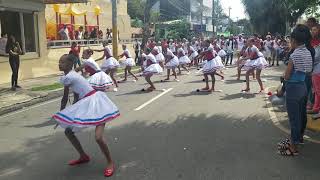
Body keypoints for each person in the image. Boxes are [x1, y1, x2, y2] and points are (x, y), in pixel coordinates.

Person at [52, 54, 119, 177]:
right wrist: (67, 115)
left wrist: (60, 115)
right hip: (86, 102)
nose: (59, 64)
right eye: (59, 62)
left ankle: (110, 162)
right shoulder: (69, 76)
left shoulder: (69, 76)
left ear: (69, 64)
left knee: (98, 137)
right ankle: (83, 156)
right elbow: (77, 96)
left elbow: (65, 98)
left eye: (62, 62)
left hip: (97, 103)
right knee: (68, 131)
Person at [277, 25, 313, 156]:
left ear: (293, 40)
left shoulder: (295, 54)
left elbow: (286, 76)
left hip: (293, 88)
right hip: (303, 86)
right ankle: (296, 140)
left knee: (294, 119)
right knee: (300, 114)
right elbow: (309, 71)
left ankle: (293, 148)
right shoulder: (308, 52)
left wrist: (283, 79)